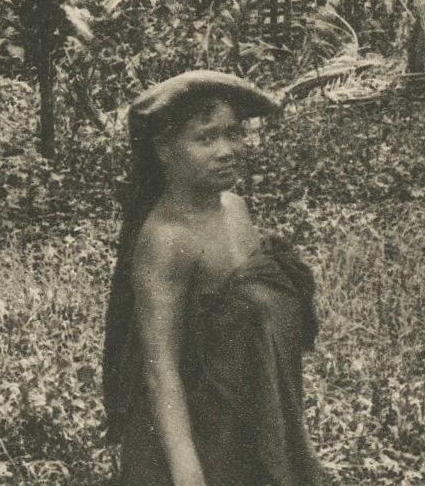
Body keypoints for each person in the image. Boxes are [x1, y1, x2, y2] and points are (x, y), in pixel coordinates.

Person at [104, 69, 322, 485]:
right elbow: (159, 369)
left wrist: (293, 437)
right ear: (164, 149)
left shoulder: (236, 209)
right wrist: (189, 475)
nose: (227, 150)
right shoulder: (167, 239)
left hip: (253, 425)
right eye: (206, 138)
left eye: (233, 133)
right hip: (205, 441)